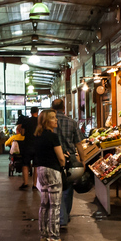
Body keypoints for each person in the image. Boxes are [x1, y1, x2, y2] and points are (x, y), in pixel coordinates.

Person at [34, 109, 67, 241]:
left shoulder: (38, 136)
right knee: (55, 206)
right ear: (47, 121)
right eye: (53, 118)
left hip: (41, 170)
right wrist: (64, 161)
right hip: (53, 171)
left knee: (44, 204)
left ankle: (44, 237)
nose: (56, 120)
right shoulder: (53, 136)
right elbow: (60, 157)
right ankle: (54, 238)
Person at [52, 98, 84, 229]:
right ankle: (65, 215)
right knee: (68, 187)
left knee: (55, 187)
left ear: (53, 109)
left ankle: (60, 216)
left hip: (53, 158)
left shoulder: (50, 124)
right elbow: (78, 143)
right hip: (70, 159)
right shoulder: (72, 122)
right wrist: (83, 160)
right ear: (64, 108)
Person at [16, 106, 39, 190]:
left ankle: (25, 183)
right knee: (36, 166)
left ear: (31, 112)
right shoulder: (40, 121)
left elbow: (22, 133)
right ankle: (35, 185)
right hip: (37, 146)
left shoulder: (26, 121)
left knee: (25, 164)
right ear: (38, 111)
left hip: (28, 145)